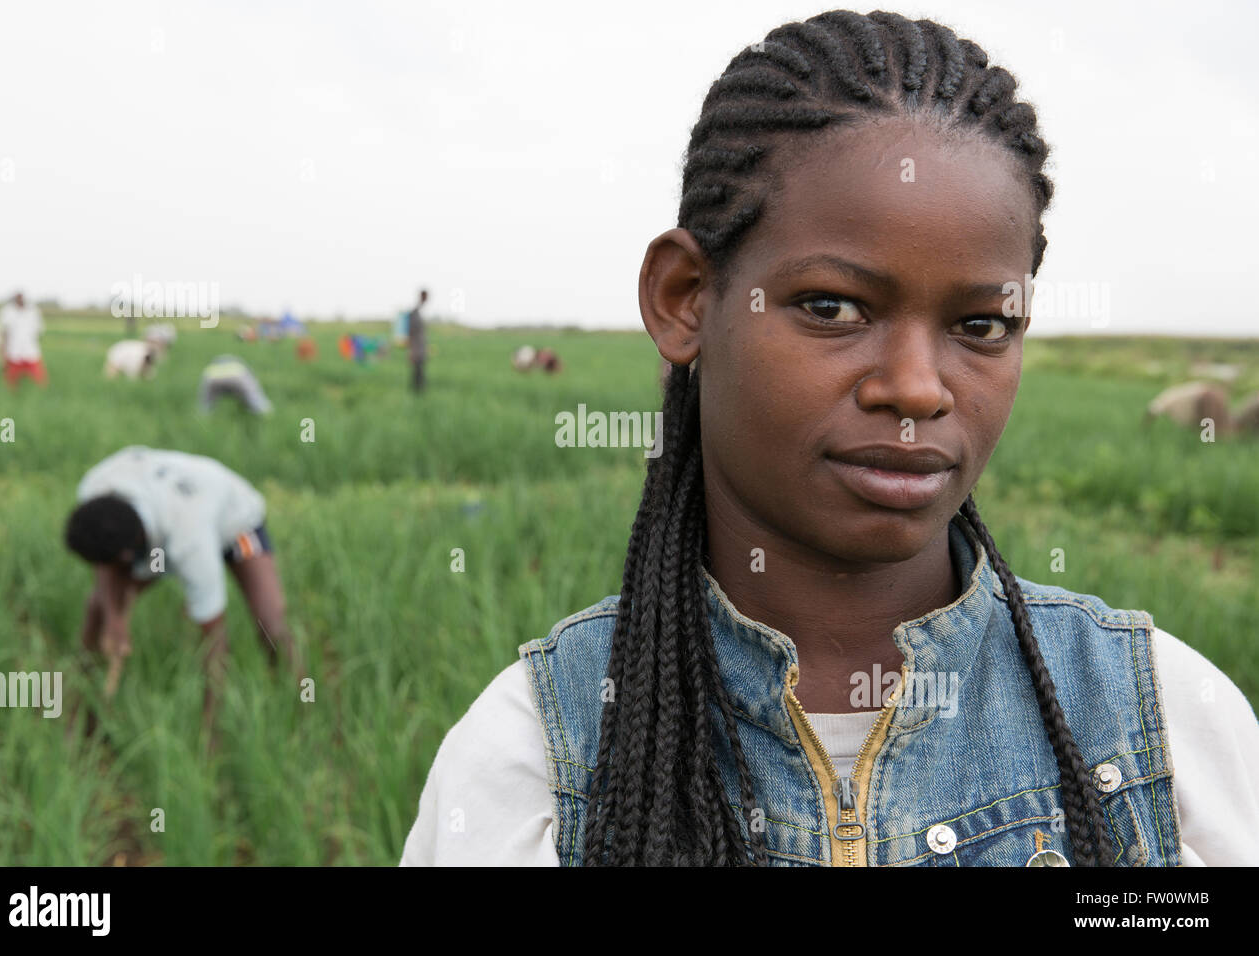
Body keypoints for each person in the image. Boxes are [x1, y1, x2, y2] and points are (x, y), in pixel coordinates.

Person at [401, 11, 1259, 867]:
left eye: (982, 324)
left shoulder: (1162, 735)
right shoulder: (540, 763)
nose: (918, 387)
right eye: (832, 307)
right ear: (685, 297)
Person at [65, 446, 299, 726]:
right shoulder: (96, 490)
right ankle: (81, 705)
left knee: (270, 623)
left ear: (127, 556)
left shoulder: (190, 542)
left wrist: (209, 735)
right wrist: (115, 620)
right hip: (154, 529)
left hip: (237, 529)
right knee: (98, 609)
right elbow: (106, 567)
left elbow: (214, 637)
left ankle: (299, 704)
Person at [0, 291, 47, 388]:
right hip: (13, 352)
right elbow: (4, 334)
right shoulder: (7, 312)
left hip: (31, 351)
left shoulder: (33, 312)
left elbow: (39, 332)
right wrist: (1, 353)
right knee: (11, 382)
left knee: (40, 380)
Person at [198, 355, 273, 414]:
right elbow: (252, 382)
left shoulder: (211, 368)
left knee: (206, 407)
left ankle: (202, 419)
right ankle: (266, 414)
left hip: (212, 378)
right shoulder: (239, 366)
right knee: (257, 402)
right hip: (237, 376)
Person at [406, 288, 428, 393]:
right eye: (425, 297)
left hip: (420, 349)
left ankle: (419, 394)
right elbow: (410, 333)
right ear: (422, 297)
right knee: (417, 375)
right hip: (416, 350)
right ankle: (416, 394)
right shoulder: (414, 313)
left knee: (420, 374)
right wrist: (411, 351)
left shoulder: (418, 312)